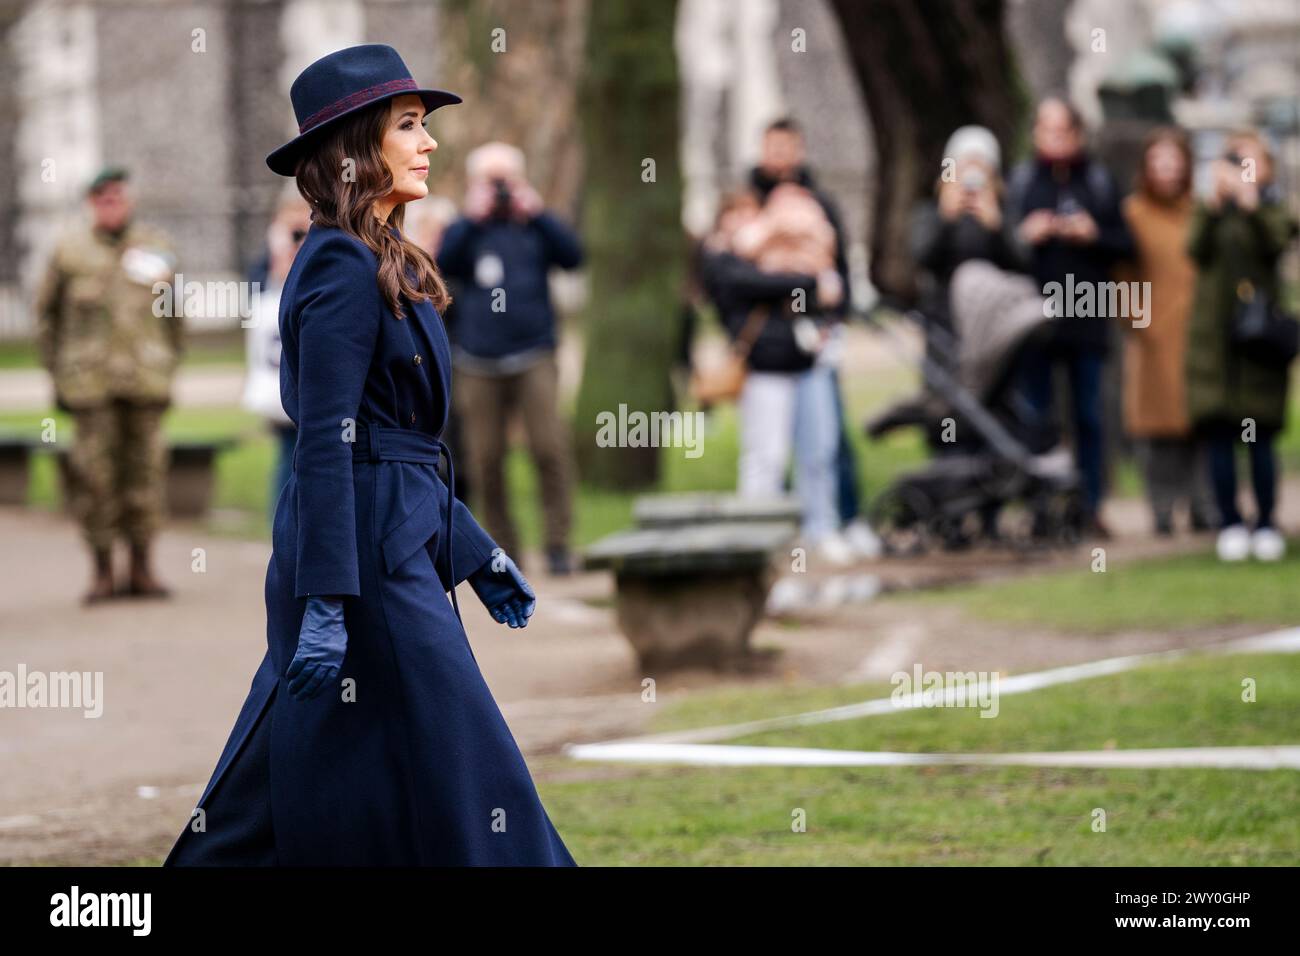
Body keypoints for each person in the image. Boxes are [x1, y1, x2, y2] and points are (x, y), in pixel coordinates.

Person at [164, 44, 575, 866]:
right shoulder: (340, 266)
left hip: (392, 544)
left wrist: (473, 549)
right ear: (356, 149)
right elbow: (328, 443)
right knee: (470, 767)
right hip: (363, 566)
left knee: (297, 776)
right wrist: (325, 598)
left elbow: (398, 442)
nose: (429, 145)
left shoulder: (381, 256)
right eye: (410, 126)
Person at [34, 166, 182, 603]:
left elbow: (174, 315)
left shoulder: (157, 247)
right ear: (90, 203)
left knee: (147, 473)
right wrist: (58, 374)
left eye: (117, 196)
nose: (110, 204)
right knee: (95, 479)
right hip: (90, 383)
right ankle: (102, 571)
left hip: (145, 379)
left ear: (129, 200)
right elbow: (48, 319)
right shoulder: (68, 252)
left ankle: (141, 569)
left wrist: (170, 366)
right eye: (101, 198)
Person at [436, 143, 583, 576]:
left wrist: (536, 212)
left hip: (534, 352)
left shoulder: (533, 227)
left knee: (549, 447)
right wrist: (469, 216)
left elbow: (573, 256)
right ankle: (502, 548)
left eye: (506, 179)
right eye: (491, 180)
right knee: (485, 458)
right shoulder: (466, 230)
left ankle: (558, 544)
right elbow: (441, 267)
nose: (499, 190)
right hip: (478, 360)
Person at [748, 117, 878, 558]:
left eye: (787, 147)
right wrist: (800, 286)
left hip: (816, 338)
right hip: (768, 343)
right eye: (773, 147)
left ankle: (839, 519)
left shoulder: (821, 202)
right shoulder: (749, 204)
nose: (780, 157)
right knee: (769, 449)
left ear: (800, 150)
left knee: (826, 437)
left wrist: (832, 316)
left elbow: (836, 269)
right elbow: (734, 272)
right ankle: (774, 534)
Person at [1007, 96, 1133, 538]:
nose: (1056, 139)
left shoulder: (1098, 182)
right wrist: (1026, 235)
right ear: (1036, 134)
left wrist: (1093, 234)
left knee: (1089, 417)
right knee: (1037, 419)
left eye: (1064, 130)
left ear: (1077, 134)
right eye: (1047, 130)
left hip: (1087, 314)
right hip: (1034, 318)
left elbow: (1126, 245)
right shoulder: (1022, 183)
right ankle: (1043, 508)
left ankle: (1090, 505)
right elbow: (1002, 248)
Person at [701, 190, 850, 563]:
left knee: (817, 452)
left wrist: (806, 277)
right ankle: (754, 537)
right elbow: (753, 284)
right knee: (765, 457)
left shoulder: (780, 253)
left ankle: (821, 528)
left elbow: (824, 294)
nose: (741, 223)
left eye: (748, 214)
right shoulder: (724, 260)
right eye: (732, 215)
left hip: (805, 364)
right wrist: (810, 280)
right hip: (764, 370)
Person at [1186, 129, 1298, 562]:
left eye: (1252, 162)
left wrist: (1251, 205)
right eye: (1236, 160)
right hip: (1216, 346)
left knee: (1260, 437)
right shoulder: (1211, 208)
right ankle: (1230, 521)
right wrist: (1215, 206)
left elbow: (1277, 242)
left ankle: (1267, 521)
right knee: (1219, 436)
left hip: (1259, 348)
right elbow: (1193, 250)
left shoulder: (1271, 208)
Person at [1118, 127, 1214, 536]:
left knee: (1201, 421)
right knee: (1158, 430)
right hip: (1153, 334)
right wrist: (1140, 323)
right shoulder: (1133, 214)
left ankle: (1202, 505)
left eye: (1174, 159)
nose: (1167, 169)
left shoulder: (1201, 212)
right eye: (1158, 160)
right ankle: (1161, 508)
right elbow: (1121, 277)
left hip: (1198, 333)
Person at [911, 125, 1022, 385]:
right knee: (942, 405)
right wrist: (946, 219)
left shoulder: (1004, 216)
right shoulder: (931, 214)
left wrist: (995, 226)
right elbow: (922, 258)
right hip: (943, 324)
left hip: (993, 327)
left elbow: (1023, 264)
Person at [241, 191, 311, 524]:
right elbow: (254, 298)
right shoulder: (268, 258)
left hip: (313, 371)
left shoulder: (323, 249)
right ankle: (283, 523)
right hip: (281, 375)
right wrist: (279, 263)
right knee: (287, 453)